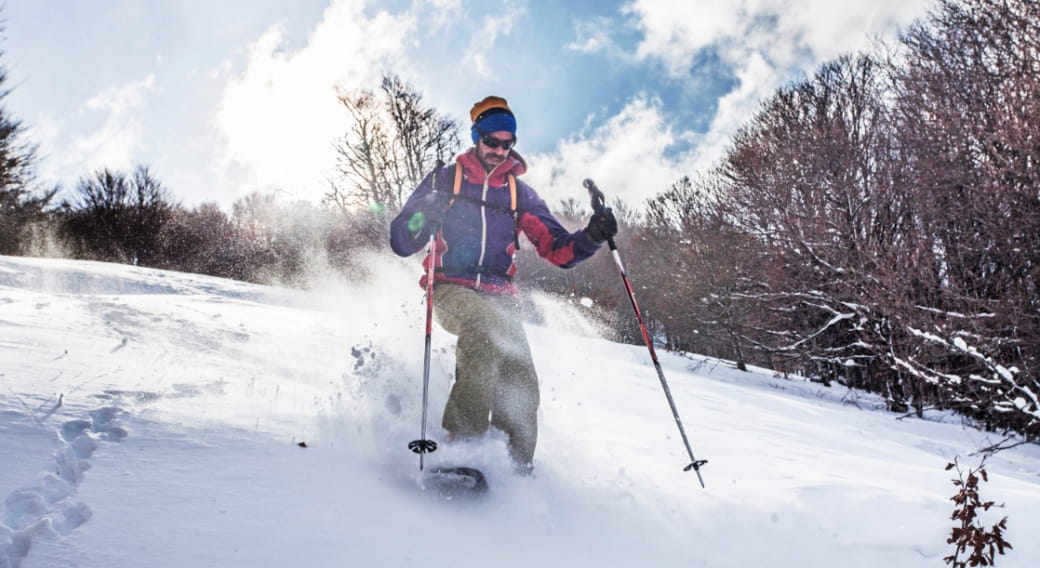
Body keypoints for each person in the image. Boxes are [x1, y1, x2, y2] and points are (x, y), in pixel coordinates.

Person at [390, 95, 617, 473]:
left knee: (520, 376)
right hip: (450, 289)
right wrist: (423, 217)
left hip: (501, 298)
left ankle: (513, 465)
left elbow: (558, 250)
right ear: (476, 138)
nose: (498, 150)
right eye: (491, 142)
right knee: (483, 328)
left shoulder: (517, 193)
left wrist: (593, 235)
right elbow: (401, 240)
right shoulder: (446, 180)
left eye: (506, 144)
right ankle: (462, 445)